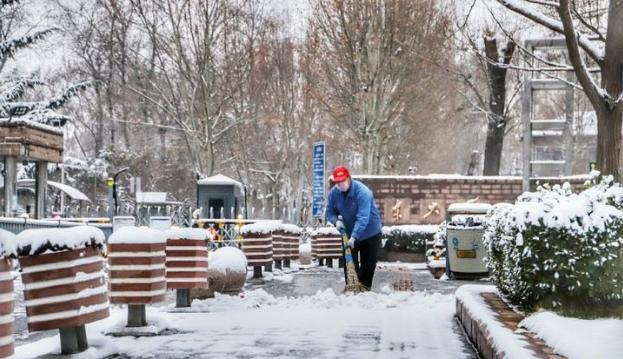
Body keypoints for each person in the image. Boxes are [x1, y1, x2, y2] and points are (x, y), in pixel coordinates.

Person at [325, 165, 382, 290]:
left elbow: (363, 218)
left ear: (349, 178)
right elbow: (329, 212)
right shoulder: (334, 193)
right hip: (349, 232)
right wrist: (336, 222)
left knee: (367, 266)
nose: (340, 184)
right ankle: (352, 288)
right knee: (349, 264)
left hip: (370, 232)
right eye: (337, 182)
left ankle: (365, 291)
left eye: (343, 181)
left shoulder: (363, 192)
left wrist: (354, 237)